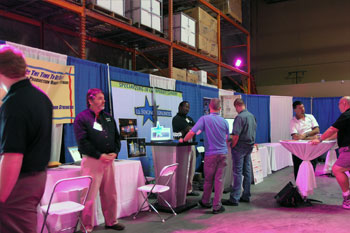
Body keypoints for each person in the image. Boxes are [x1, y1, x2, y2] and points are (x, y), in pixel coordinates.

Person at [0, 45, 53, 233]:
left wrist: (1, 197)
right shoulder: (42, 98)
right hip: (37, 178)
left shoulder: (14, 102)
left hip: (19, 183)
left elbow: (13, 156)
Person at [74, 88, 124, 232]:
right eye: (100, 98)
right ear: (90, 100)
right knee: (89, 195)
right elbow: (82, 142)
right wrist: (99, 155)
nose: (104, 101)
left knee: (110, 193)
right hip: (92, 161)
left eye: (103, 98)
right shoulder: (82, 118)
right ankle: (86, 226)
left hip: (109, 160)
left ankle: (111, 221)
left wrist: (115, 152)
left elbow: (116, 137)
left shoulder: (108, 117)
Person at [182, 98, 229, 214]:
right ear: (220, 108)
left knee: (208, 180)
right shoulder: (224, 121)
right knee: (219, 180)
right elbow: (227, 137)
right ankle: (217, 206)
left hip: (210, 154)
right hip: (223, 154)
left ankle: (206, 201)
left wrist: (183, 140)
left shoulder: (204, 119)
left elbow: (192, 132)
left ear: (209, 107)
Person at [311, 96, 350, 209]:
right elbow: (340, 131)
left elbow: (333, 129)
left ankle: (347, 198)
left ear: (344, 103)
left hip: (348, 149)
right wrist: (326, 139)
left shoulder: (347, 115)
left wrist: (319, 139)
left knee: (337, 169)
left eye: (339, 104)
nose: (338, 107)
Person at [222, 98, 256, 206]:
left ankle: (234, 198)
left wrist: (232, 145)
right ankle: (246, 195)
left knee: (237, 172)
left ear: (237, 106)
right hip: (249, 146)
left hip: (240, 147)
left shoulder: (239, 117)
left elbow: (236, 135)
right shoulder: (251, 116)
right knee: (247, 172)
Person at [172, 101, 199, 196]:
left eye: (188, 107)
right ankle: (180, 189)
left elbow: (196, 129)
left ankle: (189, 189)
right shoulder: (176, 119)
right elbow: (186, 130)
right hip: (182, 147)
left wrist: (190, 129)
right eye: (185, 107)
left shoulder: (189, 118)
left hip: (191, 145)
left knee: (191, 168)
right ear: (180, 107)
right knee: (183, 169)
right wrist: (189, 129)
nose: (187, 109)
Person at [290, 101, 320, 179]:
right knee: (298, 166)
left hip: (311, 145)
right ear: (295, 110)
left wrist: (305, 135)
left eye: (303, 107)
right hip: (299, 147)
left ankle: (309, 184)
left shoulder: (310, 117)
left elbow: (317, 130)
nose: (302, 109)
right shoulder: (293, 121)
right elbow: (295, 137)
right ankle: (299, 185)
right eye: (300, 108)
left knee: (312, 164)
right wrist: (312, 137)